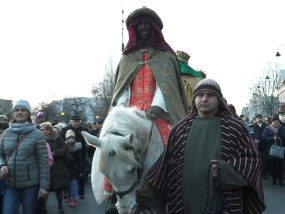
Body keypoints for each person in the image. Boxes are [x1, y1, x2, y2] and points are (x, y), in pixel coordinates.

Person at [145, 79, 265, 213]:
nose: (204, 99)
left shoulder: (235, 128)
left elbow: (251, 161)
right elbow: (165, 164)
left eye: (210, 95)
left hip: (222, 203)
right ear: (194, 99)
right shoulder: (180, 128)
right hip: (184, 202)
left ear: (219, 99)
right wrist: (144, 188)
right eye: (200, 95)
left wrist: (224, 170)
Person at [0, 100, 50, 214]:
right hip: (10, 184)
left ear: (28, 113)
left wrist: (44, 186)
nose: (19, 112)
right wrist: (2, 165)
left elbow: (43, 162)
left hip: (31, 185)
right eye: (16, 110)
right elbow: (1, 154)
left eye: (23, 110)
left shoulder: (37, 134)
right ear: (13, 113)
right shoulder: (6, 133)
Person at [40, 122, 69, 213]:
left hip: (57, 166)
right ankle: (43, 207)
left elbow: (65, 148)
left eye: (42, 130)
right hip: (45, 166)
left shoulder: (56, 138)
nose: (40, 131)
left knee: (58, 189)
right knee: (45, 188)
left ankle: (60, 205)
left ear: (48, 131)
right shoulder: (40, 138)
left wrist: (54, 153)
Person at [61, 115, 89, 199]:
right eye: (75, 121)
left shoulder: (84, 130)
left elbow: (88, 141)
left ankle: (81, 192)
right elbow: (61, 141)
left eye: (78, 121)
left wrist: (88, 147)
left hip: (81, 155)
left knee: (81, 174)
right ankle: (67, 192)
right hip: (68, 156)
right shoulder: (64, 130)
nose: (77, 123)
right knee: (67, 175)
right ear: (71, 121)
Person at [263, 117, 285, 186]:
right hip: (270, 149)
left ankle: (280, 180)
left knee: (280, 166)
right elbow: (264, 138)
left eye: (277, 122)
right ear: (271, 123)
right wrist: (272, 138)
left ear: (279, 122)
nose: (275, 123)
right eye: (274, 122)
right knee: (272, 166)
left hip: (280, 149)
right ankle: (274, 180)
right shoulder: (267, 129)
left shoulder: (283, 129)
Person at [64, 130, 84, 207]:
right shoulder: (64, 148)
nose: (71, 139)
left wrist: (81, 170)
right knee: (67, 185)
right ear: (66, 139)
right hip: (66, 169)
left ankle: (74, 199)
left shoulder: (77, 148)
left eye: (73, 137)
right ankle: (68, 194)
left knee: (73, 184)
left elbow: (80, 160)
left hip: (74, 169)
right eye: (69, 138)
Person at [253, 114, 268, 179]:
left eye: (260, 118)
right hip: (255, 145)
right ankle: (257, 173)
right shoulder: (253, 126)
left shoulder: (266, 126)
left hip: (264, 145)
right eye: (258, 118)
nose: (259, 119)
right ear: (256, 119)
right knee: (256, 159)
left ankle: (264, 173)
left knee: (264, 159)